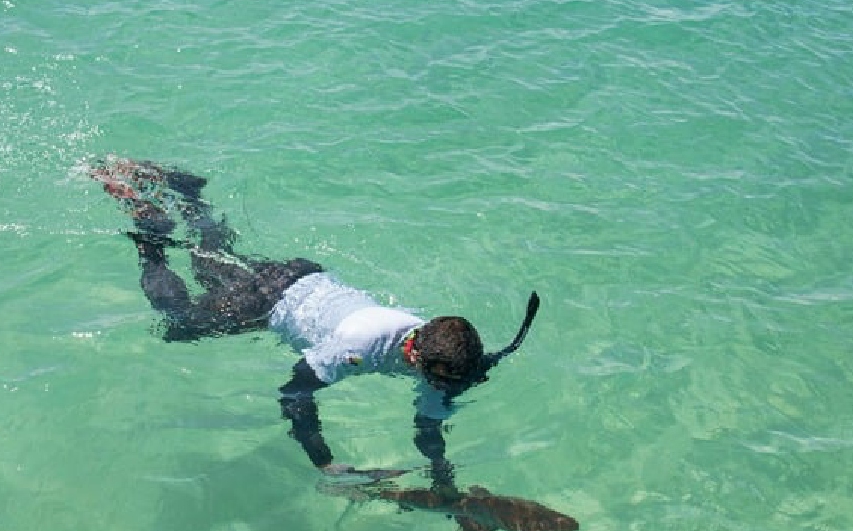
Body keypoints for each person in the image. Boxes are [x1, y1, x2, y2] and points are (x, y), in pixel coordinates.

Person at [89, 157, 540, 497]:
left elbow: (429, 422)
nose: (440, 387)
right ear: (414, 355)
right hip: (267, 301)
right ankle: (150, 234)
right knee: (179, 323)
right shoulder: (356, 345)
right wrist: (325, 465)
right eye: (436, 379)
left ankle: (189, 194)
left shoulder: (445, 351)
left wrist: (443, 477)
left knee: (211, 265)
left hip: (302, 277)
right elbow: (294, 394)